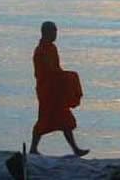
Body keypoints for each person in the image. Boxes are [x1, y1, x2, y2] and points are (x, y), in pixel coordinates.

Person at [30, 21, 89, 156]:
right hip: (47, 90)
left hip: (55, 90)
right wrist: (66, 76)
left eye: (56, 31)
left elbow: (57, 68)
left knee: (65, 120)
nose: (56, 34)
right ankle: (33, 148)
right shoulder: (40, 51)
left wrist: (67, 78)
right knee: (44, 119)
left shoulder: (52, 48)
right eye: (54, 31)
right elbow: (47, 72)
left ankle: (75, 149)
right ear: (46, 33)